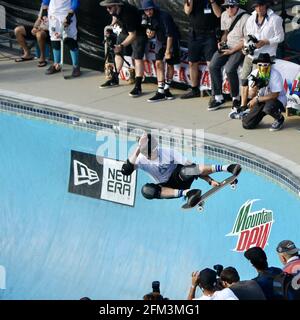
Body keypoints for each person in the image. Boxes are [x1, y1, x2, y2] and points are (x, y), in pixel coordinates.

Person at [121, 132, 241, 207]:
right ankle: (189, 193)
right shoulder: (140, 159)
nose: (154, 154)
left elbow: (193, 167)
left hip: (181, 177)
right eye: (150, 153)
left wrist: (209, 180)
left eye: (154, 150)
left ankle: (228, 167)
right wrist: (137, 149)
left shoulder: (168, 152)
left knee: (186, 170)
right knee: (147, 190)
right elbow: (125, 171)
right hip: (168, 187)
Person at [234, 0, 284, 114]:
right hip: (251, 55)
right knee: (244, 80)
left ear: (266, 5)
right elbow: (248, 37)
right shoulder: (251, 19)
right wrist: (246, 47)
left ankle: (253, 108)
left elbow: (280, 37)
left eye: (261, 5)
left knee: (256, 86)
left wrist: (266, 41)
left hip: (265, 58)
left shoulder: (275, 19)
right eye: (256, 6)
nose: (259, 8)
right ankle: (243, 106)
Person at [99, 0, 147, 98]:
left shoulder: (127, 14)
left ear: (116, 5)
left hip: (138, 33)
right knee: (118, 53)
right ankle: (114, 78)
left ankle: (138, 86)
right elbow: (114, 15)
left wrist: (121, 46)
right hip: (125, 30)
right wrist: (112, 25)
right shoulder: (116, 9)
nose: (108, 10)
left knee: (137, 58)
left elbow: (133, 35)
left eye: (109, 7)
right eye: (106, 7)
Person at [208, 0, 249, 111]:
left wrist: (232, 51)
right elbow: (226, 33)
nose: (229, 9)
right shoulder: (224, 15)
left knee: (230, 69)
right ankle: (218, 97)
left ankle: (236, 98)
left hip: (240, 47)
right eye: (226, 7)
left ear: (237, 6)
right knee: (213, 65)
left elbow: (246, 40)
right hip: (228, 45)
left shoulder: (246, 17)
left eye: (232, 6)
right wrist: (222, 42)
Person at [140, 0, 181, 102]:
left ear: (153, 8)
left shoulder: (164, 16)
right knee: (158, 63)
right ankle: (160, 91)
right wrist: (149, 33)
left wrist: (168, 51)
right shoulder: (147, 17)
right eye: (146, 10)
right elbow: (152, 31)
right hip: (160, 40)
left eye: (149, 9)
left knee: (170, 64)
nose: (148, 12)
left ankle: (167, 89)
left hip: (171, 40)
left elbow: (170, 35)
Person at [181, 0, 222, 100]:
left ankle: (215, 92)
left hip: (210, 34)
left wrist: (212, 2)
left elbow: (219, 14)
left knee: (211, 64)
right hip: (194, 34)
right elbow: (187, 11)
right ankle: (194, 89)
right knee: (192, 63)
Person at [241, 53, 287, 131]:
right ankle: (258, 117)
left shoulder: (275, 74)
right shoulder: (254, 74)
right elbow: (251, 95)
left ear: (270, 65)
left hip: (277, 99)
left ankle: (279, 118)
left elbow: (275, 95)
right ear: (257, 65)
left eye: (265, 65)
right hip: (262, 99)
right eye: (260, 65)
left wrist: (257, 100)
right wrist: (255, 86)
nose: (262, 67)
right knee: (247, 124)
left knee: (268, 108)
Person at [42, 0, 81, 77]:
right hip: (53, 15)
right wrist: (44, 13)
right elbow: (45, 1)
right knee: (54, 38)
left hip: (66, 14)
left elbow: (75, 2)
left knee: (70, 40)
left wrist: (69, 16)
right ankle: (56, 65)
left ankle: (76, 66)